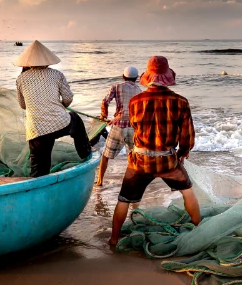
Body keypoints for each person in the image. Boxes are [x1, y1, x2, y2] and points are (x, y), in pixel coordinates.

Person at [109, 56, 199, 246]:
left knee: (124, 199)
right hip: (168, 161)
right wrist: (182, 154)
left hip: (140, 161)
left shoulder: (135, 101)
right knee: (188, 192)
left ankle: (114, 239)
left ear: (147, 77)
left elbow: (135, 128)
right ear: (167, 76)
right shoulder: (181, 102)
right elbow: (188, 137)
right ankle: (199, 232)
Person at [14, 40, 91, 178]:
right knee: (75, 118)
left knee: (39, 169)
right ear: (47, 60)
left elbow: (23, 105)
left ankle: (36, 191)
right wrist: (59, 106)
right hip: (59, 124)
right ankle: (85, 153)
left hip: (36, 131)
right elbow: (68, 98)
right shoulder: (57, 74)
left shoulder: (20, 79)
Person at [95, 66, 142, 186]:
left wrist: (103, 116)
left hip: (118, 126)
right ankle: (133, 181)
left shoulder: (116, 86)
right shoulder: (139, 90)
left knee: (106, 155)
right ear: (136, 78)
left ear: (123, 76)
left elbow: (105, 101)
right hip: (133, 127)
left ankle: (100, 181)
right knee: (133, 156)